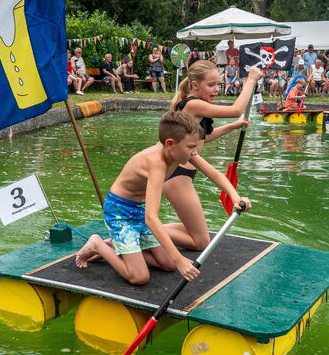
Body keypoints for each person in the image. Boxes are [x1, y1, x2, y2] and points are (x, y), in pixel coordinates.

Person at [74, 110, 252, 284]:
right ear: (170, 144)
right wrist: (179, 259)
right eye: (191, 146)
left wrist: (235, 197)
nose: (194, 152)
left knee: (167, 265)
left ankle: (118, 246)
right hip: (120, 212)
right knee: (139, 277)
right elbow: (151, 217)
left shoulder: (181, 152)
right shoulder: (157, 163)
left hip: (139, 208)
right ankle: (98, 244)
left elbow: (214, 173)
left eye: (196, 146)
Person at [164, 61, 262, 251]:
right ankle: (141, 231)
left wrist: (233, 126)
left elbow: (204, 138)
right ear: (195, 85)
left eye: (218, 84)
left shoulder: (197, 108)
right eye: (211, 85)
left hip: (183, 173)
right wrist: (250, 80)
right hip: (176, 175)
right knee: (200, 243)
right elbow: (235, 110)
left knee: (196, 234)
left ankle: (146, 230)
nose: (216, 89)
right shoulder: (193, 105)